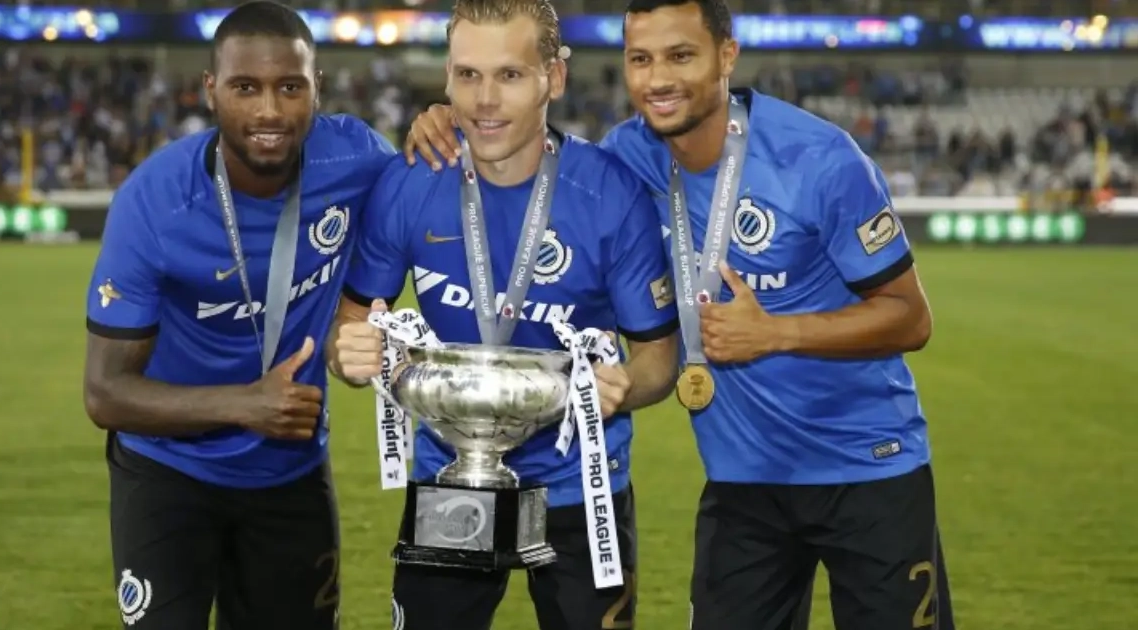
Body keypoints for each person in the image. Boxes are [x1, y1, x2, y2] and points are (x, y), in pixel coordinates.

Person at [400, 1, 959, 629]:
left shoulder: (818, 160)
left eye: (681, 56)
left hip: (868, 468)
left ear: (727, 55)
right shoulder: (627, 160)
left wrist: (776, 334)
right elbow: (535, 160)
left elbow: (910, 318)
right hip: (742, 483)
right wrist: (450, 120)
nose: (658, 78)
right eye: (641, 59)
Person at [325, 1, 681, 629]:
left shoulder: (610, 195)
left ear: (554, 78)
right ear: (447, 77)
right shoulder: (411, 182)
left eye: (510, 75)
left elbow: (659, 356)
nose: (485, 100)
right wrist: (348, 352)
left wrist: (625, 385)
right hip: (452, 475)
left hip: (578, 484)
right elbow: (352, 324)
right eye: (468, 75)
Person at [80, 2, 396, 628]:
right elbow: (104, 393)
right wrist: (246, 405)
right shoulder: (155, 201)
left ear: (317, 88)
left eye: (290, 87)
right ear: (211, 89)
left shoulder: (357, 159)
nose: (270, 111)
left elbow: (431, 194)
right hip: (167, 470)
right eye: (245, 87)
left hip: (289, 472)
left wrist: (440, 124)